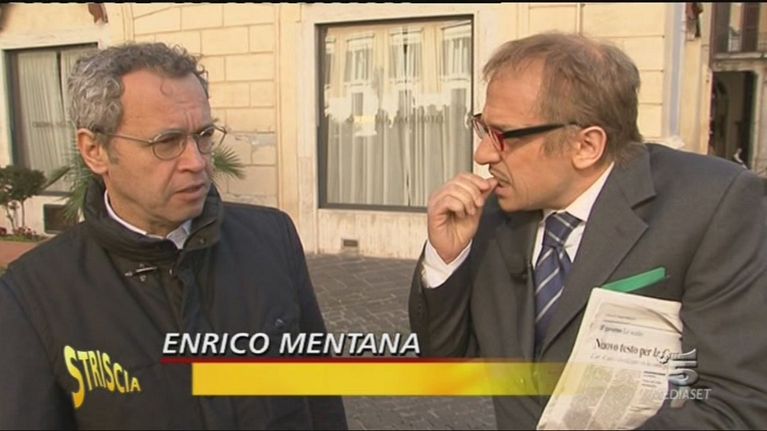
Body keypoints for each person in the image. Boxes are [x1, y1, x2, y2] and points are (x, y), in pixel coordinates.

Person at [409, 32, 767, 429]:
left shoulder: (713, 204)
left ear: (586, 146)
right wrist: (446, 259)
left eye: (503, 136)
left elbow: (733, 402)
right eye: (482, 128)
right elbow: (444, 359)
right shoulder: (490, 214)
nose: (483, 154)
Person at [0, 42, 347, 429]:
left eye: (204, 135)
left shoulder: (273, 238)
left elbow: (320, 396)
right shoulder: (34, 294)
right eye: (166, 142)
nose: (196, 162)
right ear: (95, 150)